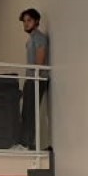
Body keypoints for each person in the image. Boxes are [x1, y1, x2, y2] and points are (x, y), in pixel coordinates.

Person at [19, 8, 49, 149]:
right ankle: (25, 142)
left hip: (36, 79)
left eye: (29, 20)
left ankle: (28, 144)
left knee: (30, 113)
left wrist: (35, 78)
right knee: (26, 112)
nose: (26, 24)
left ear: (36, 21)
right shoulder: (30, 39)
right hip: (30, 79)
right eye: (24, 21)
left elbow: (40, 62)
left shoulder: (39, 37)